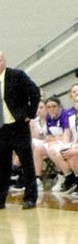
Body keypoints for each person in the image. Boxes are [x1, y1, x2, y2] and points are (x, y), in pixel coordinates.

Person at [0, 50, 41, 209]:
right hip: (2, 128)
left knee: (26, 162)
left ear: (4, 60)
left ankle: (30, 197)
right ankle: (1, 199)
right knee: (2, 165)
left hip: (18, 126)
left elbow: (35, 93)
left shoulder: (17, 75)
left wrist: (30, 113)